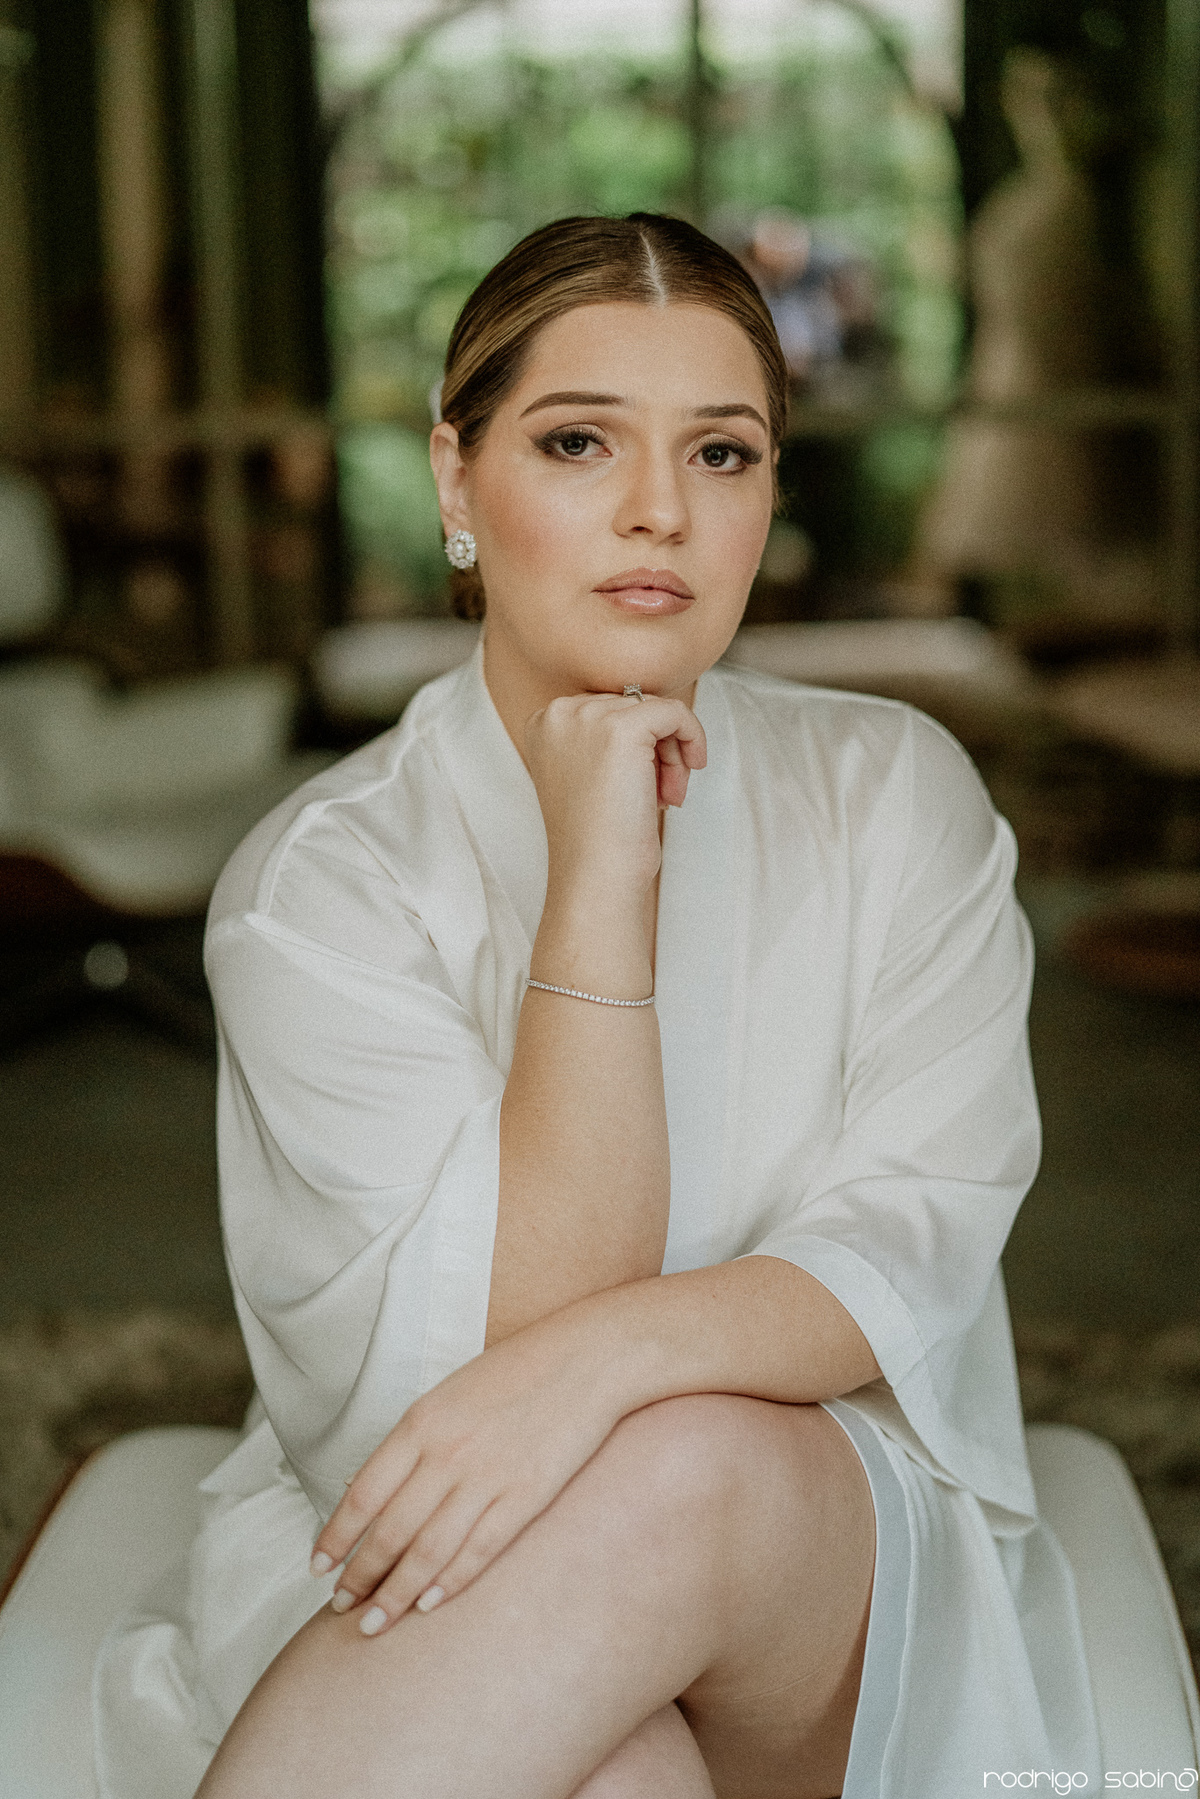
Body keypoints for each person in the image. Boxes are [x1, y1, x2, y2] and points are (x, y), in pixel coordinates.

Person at [94, 213, 1100, 1799]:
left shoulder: (898, 797)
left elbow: (907, 1249)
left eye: (722, 453)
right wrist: (597, 882)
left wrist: (607, 1364)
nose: (660, 511)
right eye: (578, 441)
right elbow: (459, 1397)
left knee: (685, 1462)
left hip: (813, 1563)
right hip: (428, 1536)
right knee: (612, 1769)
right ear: (456, 481)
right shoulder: (322, 887)